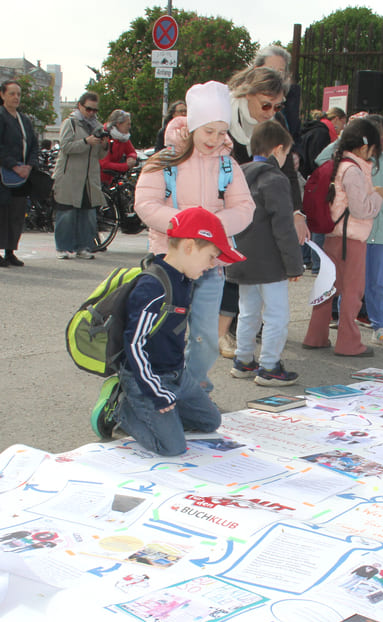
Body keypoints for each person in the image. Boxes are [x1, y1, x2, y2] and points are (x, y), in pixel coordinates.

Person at [134, 80, 255, 393]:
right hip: (168, 262)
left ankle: (193, 388)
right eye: (208, 131)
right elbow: (145, 205)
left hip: (209, 264)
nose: (215, 140)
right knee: (162, 332)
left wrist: (212, 224)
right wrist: (186, 224)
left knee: (205, 336)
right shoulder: (164, 161)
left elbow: (244, 208)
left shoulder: (229, 165)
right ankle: (158, 386)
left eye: (221, 131)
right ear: (193, 126)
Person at [110, 208, 241, 456]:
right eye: (211, 256)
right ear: (190, 247)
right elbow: (134, 344)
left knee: (210, 422)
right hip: (147, 379)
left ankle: (162, 413)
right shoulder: (152, 286)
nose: (212, 265)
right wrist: (156, 392)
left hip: (177, 376)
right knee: (173, 447)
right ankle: (123, 411)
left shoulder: (184, 280)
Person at [316, 113, 383, 348]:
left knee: (376, 282)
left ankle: (380, 326)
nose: (381, 145)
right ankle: (342, 323)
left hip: (380, 233)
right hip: (352, 232)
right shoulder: (349, 159)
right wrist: (344, 136)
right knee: (344, 281)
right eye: (377, 139)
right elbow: (320, 160)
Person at [302, 118, 383, 357]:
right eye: (373, 149)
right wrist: (379, 196)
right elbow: (362, 210)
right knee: (353, 290)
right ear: (364, 147)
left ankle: (315, 336)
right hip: (351, 240)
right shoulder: (354, 171)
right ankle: (349, 343)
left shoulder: (338, 165)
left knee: (328, 289)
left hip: (333, 237)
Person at [228, 120, 303, 386]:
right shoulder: (275, 179)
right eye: (287, 154)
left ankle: (244, 360)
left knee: (248, 311)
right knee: (276, 315)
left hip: (242, 257)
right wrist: (294, 265)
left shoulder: (239, 174)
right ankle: (270, 365)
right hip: (271, 261)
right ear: (278, 149)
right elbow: (283, 227)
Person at [0, 79, 39, 267]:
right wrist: (13, 165)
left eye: (18, 94)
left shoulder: (24, 120)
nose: (16, 97)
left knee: (16, 214)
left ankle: (10, 251)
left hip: (20, 177)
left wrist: (29, 166)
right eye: (11, 93)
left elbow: (33, 145)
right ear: (2, 95)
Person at [51, 91, 108, 260]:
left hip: (89, 178)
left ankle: (84, 246)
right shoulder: (70, 123)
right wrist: (85, 142)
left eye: (95, 110)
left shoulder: (97, 126)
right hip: (70, 175)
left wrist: (104, 145)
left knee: (87, 214)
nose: (91, 113)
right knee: (67, 213)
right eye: (88, 109)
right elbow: (65, 147)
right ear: (80, 106)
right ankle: (63, 247)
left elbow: (99, 155)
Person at [298, 108, 346, 175]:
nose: (343, 128)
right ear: (336, 119)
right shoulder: (322, 133)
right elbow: (318, 161)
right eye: (343, 123)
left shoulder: (316, 128)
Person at [100, 109, 138, 183]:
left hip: (112, 178)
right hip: (100, 179)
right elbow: (104, 164)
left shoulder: (123, 137)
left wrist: (131, 157)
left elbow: (131, 151)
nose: (130, 127)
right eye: (128, 124)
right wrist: (125, 166)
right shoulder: (105, 137)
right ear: (118, 124)